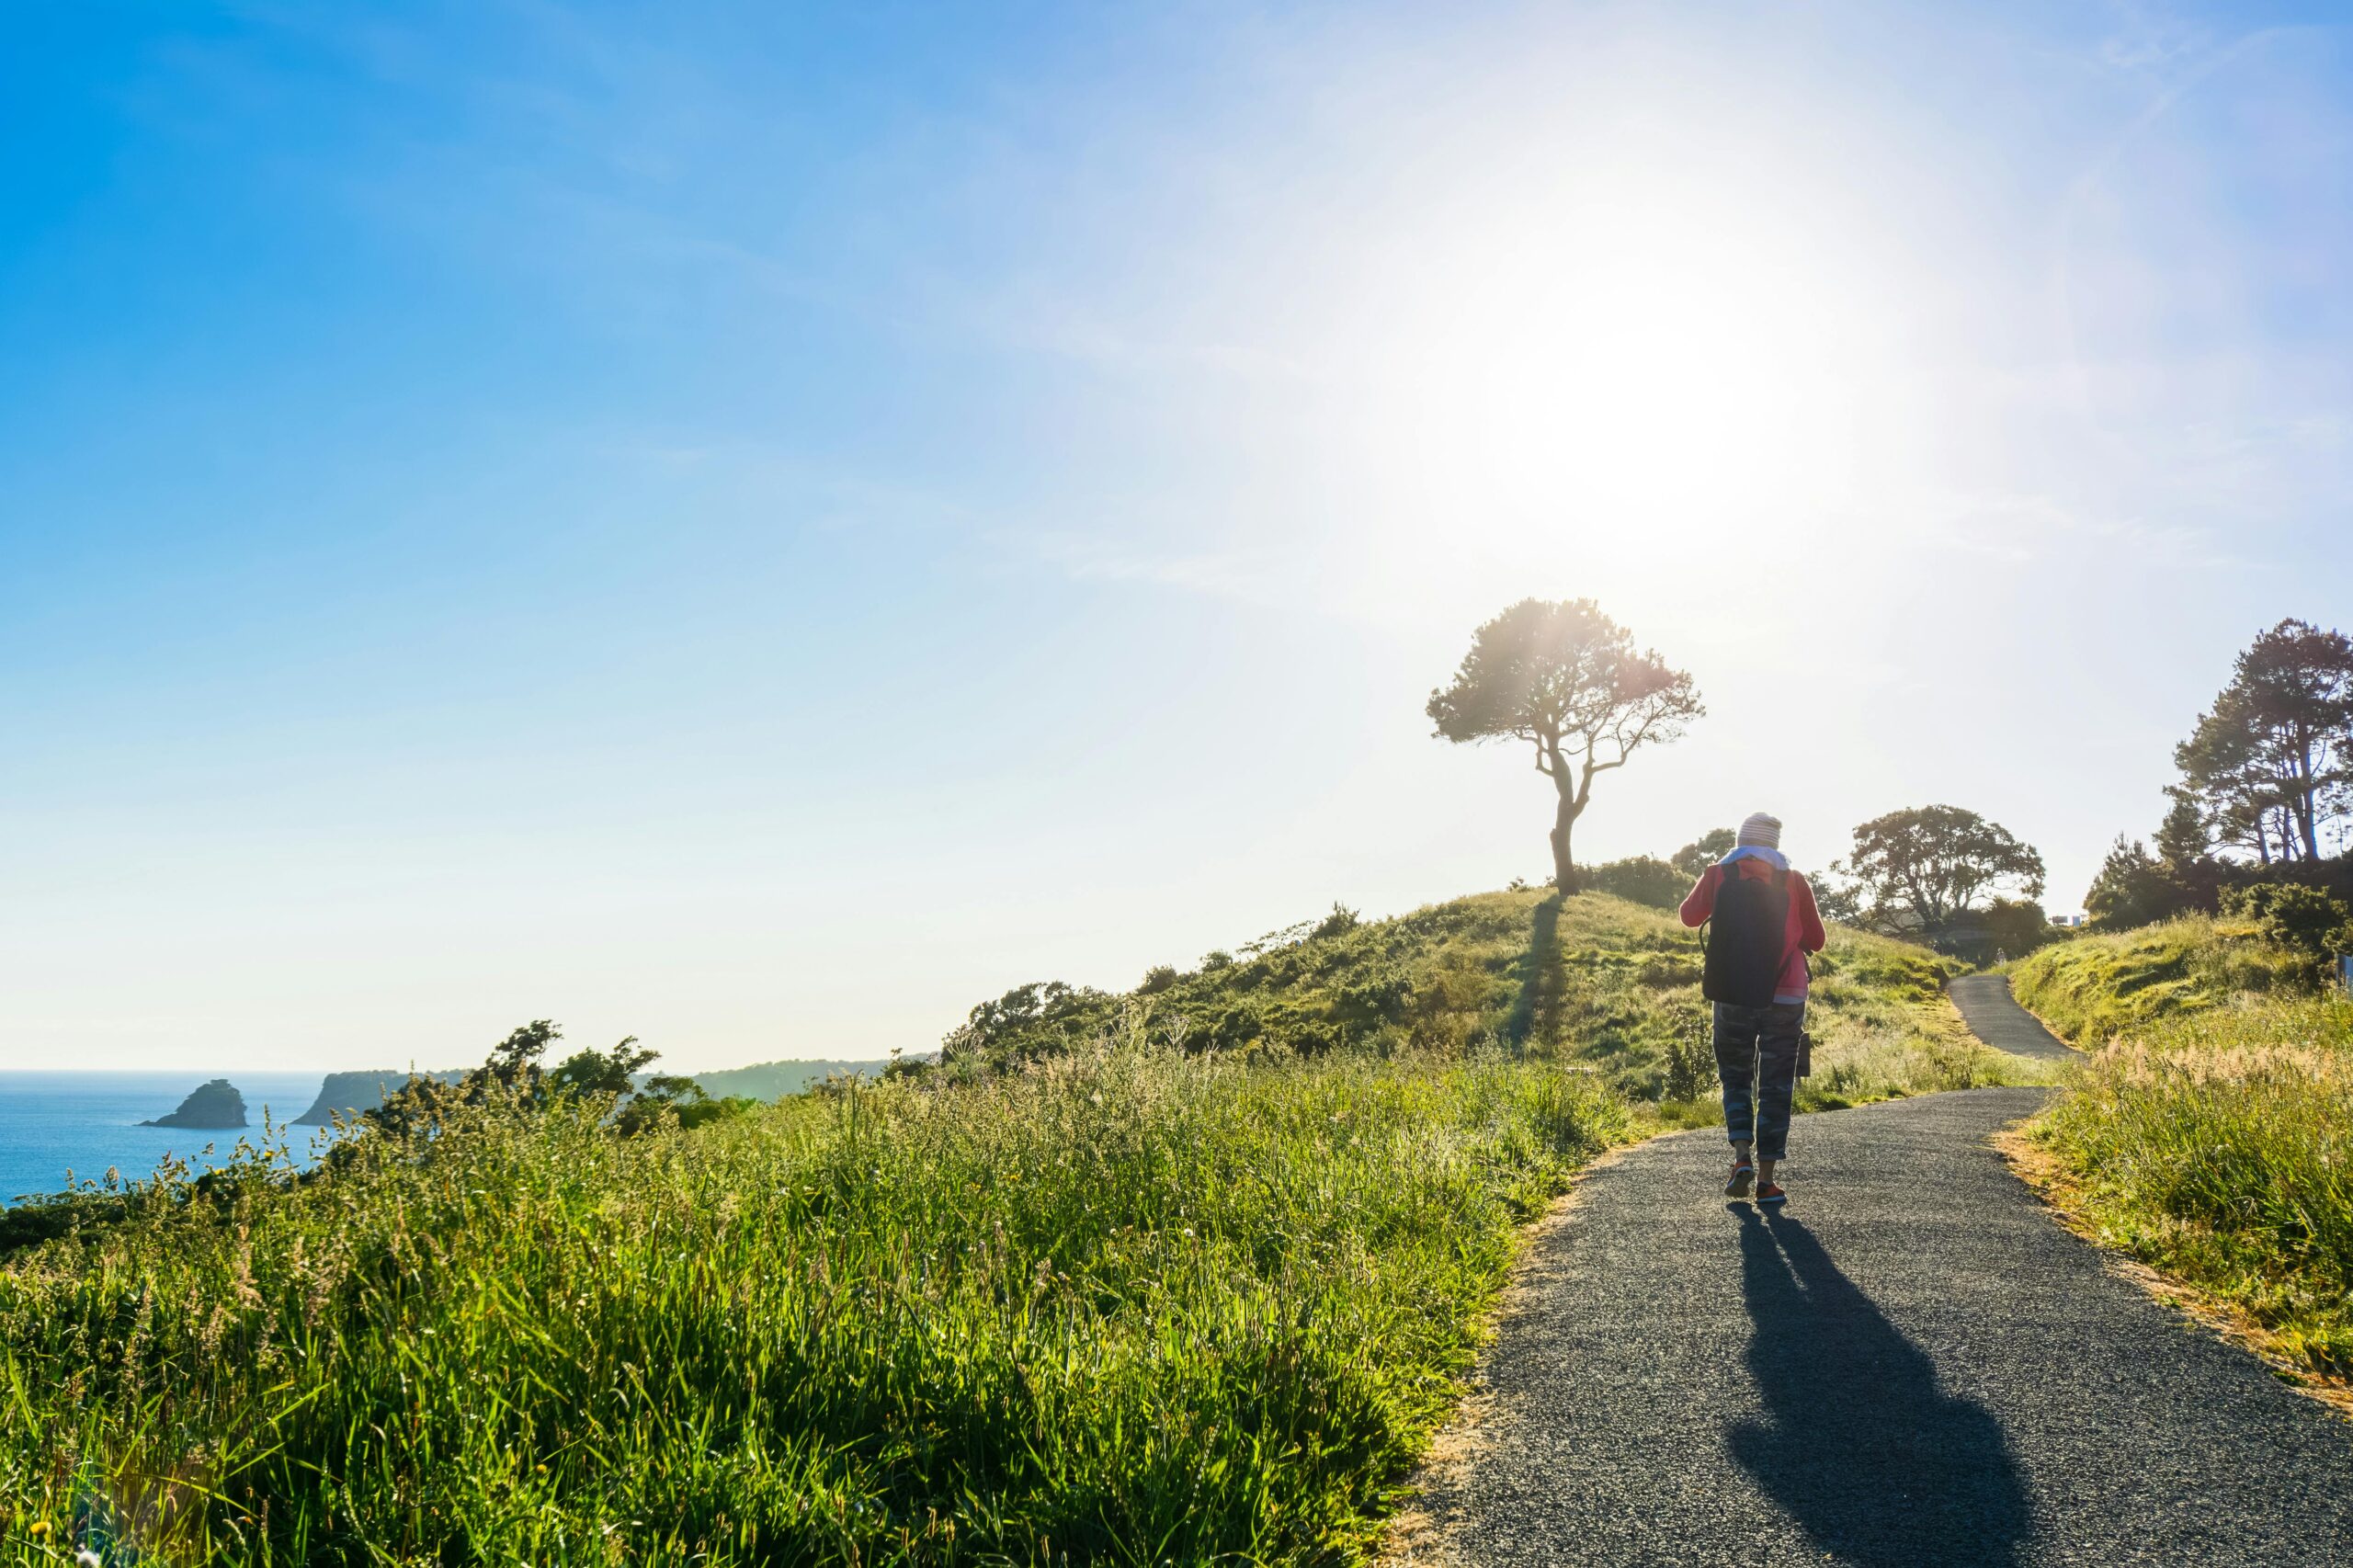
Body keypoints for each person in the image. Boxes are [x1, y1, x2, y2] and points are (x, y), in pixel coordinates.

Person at [1678, 812, 1826, 1208]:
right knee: (1777, 1083)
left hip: (1731, 991)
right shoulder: (1793, 880)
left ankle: (1740, 1157)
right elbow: (1817, 939)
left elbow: (1689, 916)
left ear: (1740, 840)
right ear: (1775, 844)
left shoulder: (1719, 873)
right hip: (1787, 993)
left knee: (1736, 1076)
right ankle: (1767, 1180)